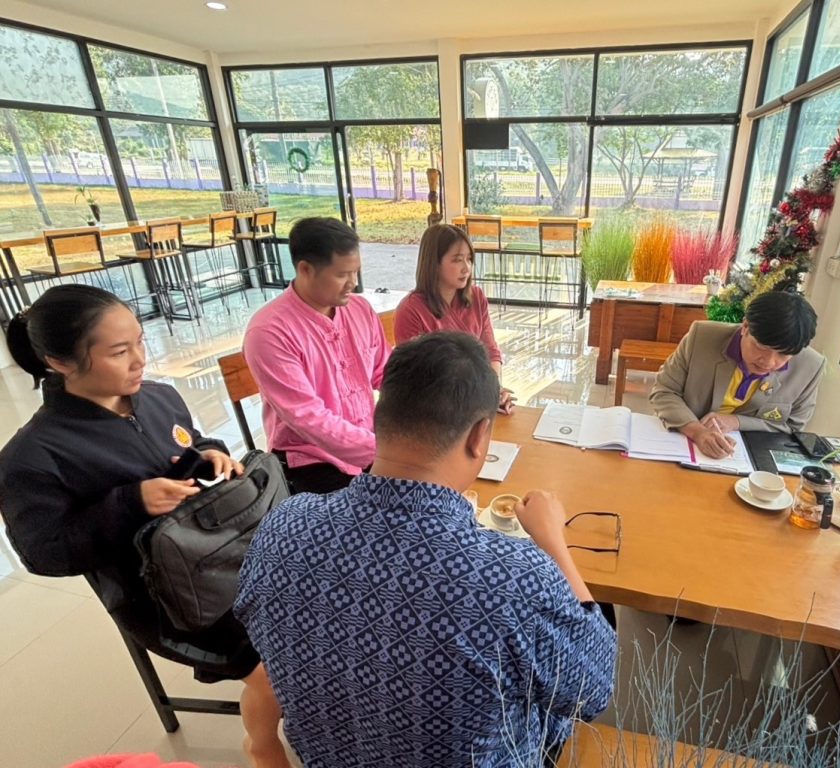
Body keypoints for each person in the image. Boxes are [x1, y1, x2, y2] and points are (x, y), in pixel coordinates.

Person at [235, 331, 616, 767]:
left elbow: (261, 634)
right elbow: (593, 689)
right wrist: (554, 546)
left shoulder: (283, 526)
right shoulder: (516, 579)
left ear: (380, 419)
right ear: (479, 436)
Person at [0, 286, 289, 768]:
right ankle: (262, 745)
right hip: (160, 598)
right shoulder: (33, 456)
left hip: (219, 551)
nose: (140, 359)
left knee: (318, 607)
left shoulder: (157, 398)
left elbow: (190, 444)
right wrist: (130, 503)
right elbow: (43, 553)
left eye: (139, 341)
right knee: (276, 664)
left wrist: (209, 454)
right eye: (119, 352)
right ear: (60, 362)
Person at [243, 217, 390, 494]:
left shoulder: (359, 309)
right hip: (311, 463)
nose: (353, 283)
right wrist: (386, 452)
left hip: (370, 445)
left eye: (356, 272)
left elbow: (386, 372)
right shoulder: (269, 331)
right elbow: (309, 419)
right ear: (305, 269)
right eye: (342, 274)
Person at [650, 290, 825, 458]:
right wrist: (698, 431)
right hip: (682, 443)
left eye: (784, 354)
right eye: (761, 347)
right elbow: (664, 392)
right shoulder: (701, 337)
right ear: (745, 327)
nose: (769, 362)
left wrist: (736, 421)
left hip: (751, 458)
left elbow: (792, 427)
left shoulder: (810, 366)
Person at [394, 223, 514, 413]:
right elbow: (418, 380)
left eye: (469, 259)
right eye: (457, 260)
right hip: (434, 411)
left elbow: (491, 352)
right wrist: (479, 395)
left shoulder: (476, 297)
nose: (467, 268)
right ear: (434, 263)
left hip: (474, 402)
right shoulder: (411, 310)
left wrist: (494, 390)